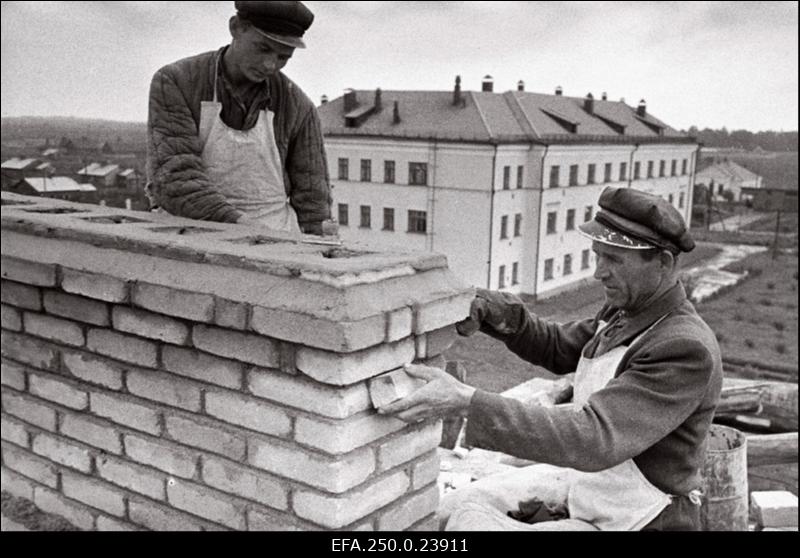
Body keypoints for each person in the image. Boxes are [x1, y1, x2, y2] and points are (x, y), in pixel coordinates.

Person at [378, 187, 723, 531]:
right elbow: (559, 347)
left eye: (614, 260)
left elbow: (591, 438)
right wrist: (495, 312)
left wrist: (467, 402)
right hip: (596, 491)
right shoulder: (628, 313)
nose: (598, 273)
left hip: (641, 520)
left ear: (663, 263)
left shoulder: (682, 349)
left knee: (467, 527)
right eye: (597, 255)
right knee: (449, 508)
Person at [145, 0, 332, 235]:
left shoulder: (299, 106)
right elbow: (175, 178)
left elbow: (313, 199)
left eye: (283, 57)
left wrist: (320, 250)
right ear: (236, 27)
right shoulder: (177, 81)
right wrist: (242, 228)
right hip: (188, 234)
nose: (269, 65)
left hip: (273, 240)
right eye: (262, 48)